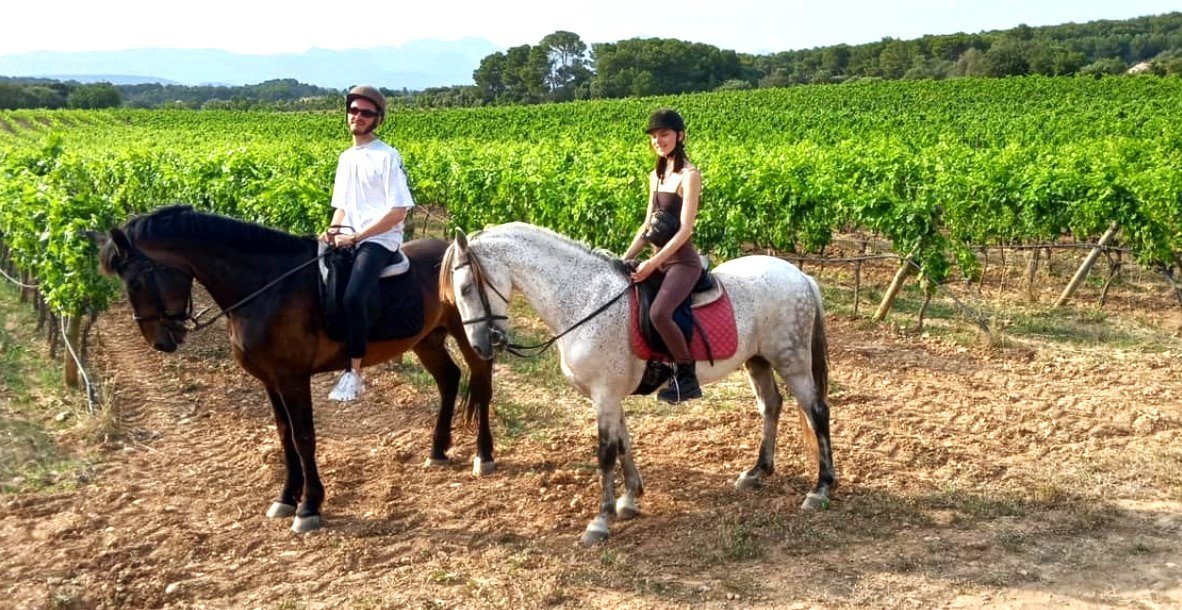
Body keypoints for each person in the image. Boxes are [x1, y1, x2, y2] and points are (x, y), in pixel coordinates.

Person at [319, 85, 415, 401]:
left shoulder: (387, 156)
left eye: (366, 113)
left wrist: (358, 237)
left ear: (378, 120)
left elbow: (398, 211)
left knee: (353, 297)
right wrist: (332, 231)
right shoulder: (346, 158)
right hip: (348, 234)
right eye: (354, 110)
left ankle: (354, 373)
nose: (357, 116)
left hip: (379, 239)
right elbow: (342, 206)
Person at [622, 109, 703, 403]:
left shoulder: (689, 175)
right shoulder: (655, 176)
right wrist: (626, 257)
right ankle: (656, 364)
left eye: (664, 134)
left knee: (659, 313)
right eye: (654, 136)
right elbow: (648, 226)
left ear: (680, 136)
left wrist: (651, 264)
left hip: (682, 262)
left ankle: (687, 376)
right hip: (658, 259)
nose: (658, 140)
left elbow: (684, 231)